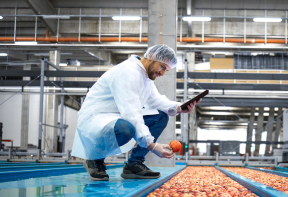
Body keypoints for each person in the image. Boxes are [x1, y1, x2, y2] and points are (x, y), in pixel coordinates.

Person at [71, 44, 199, 181]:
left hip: (118, 116)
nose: (162, 73)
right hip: (97, 118)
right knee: (126, 128)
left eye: (166, 70)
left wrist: (179, 107)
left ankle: (134, 164)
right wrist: (153, 146)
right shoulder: (128, 72)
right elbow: (131, 113)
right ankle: (94, 158)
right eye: (162, 67)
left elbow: (156, 100)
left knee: (160, 117)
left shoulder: (144, 76)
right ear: (151, 57)